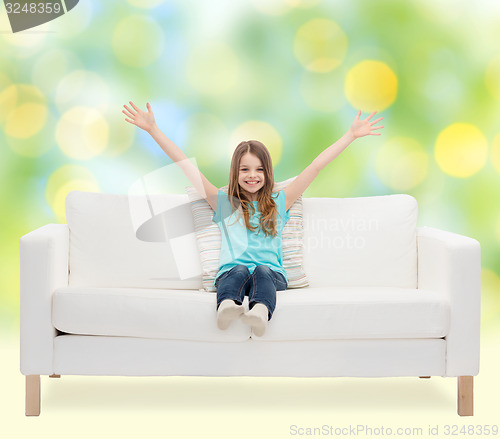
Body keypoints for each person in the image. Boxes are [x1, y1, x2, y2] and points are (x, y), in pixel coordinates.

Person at [122, 101, 384, 336]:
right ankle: (226, 306)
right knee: (236, 270)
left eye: (259, 169)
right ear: (235, 172)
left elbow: (315, 167)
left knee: (262, 270)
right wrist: (153, 129)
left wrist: (350, 135)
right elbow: (186, 166)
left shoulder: (279, 203)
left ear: (267, 172)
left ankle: (260, 312)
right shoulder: (224, 205)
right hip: (231, 275)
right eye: (245, 169)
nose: (252, 175)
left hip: (271, 277)